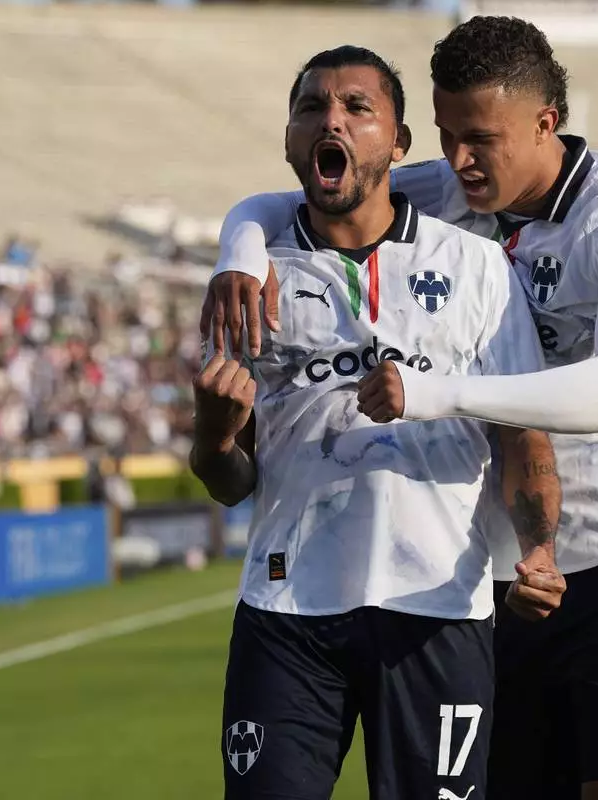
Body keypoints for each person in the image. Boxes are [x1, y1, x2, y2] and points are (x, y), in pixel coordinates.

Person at [201, 17, 598, 800]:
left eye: (480, 140)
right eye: (445, 134)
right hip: (499, 569)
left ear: (545, 123)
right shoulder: (451, 188)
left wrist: (436, 394)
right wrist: (238, 252)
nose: (458, 159)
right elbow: (287, 200)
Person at [189, 45, 564, 800]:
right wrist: (214, 434)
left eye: (357, 107)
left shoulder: (476, 266)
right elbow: (228, 482)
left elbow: (522, 429)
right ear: (290, 142)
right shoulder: (251, 281)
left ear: (398, 143)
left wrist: (540, 548)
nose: (332, 119)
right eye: (311, 108)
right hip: (288, 611)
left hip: (438, 607)